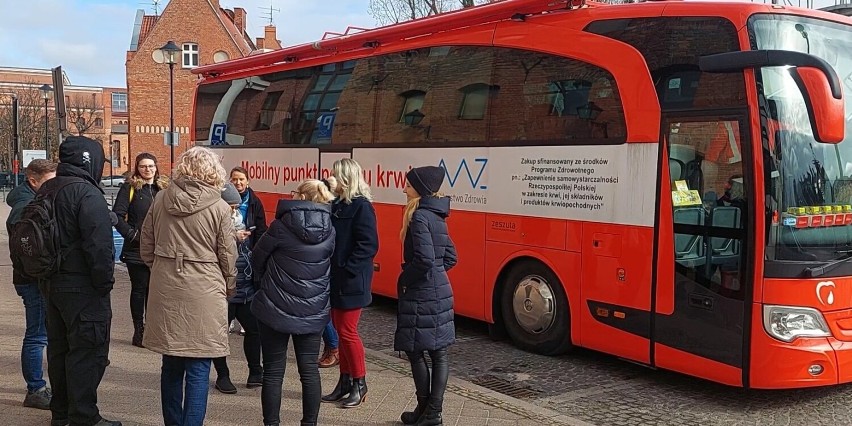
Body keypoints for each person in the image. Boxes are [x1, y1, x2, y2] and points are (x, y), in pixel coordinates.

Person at [140, 146, 237, 426]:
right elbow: (227, 254)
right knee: (199, 366)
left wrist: (161, 269)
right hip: (205, 288)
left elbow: (146, 245)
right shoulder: (219, 207)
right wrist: (229, 285)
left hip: (166, 286)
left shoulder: (160, 199)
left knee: (171, 364)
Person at [40, 136, 121, 426]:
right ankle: (84, 417)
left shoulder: (48, 188)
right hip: (84, 287)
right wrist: (104, 284)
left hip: (52, 284)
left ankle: (61, 413)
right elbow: (99, 246)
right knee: (88, 353)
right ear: (91, 160)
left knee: (60, 351)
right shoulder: (87, 194)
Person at [251, 179, 336, 426]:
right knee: (309, 370)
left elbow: (257, 259)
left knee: (274, 372)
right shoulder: (331, 229)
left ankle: (272, 423)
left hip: (274, 306)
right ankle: (310, 423)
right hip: (313, 308)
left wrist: (267, 283)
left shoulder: (280, 226)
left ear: (299, 196)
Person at [395, 166, 457, 426]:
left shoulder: (419, 217)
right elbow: (451, 258)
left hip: (422, 292)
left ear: (419, 189)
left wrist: (404, 279)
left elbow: (424, 260)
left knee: (415, 350)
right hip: (439, 289)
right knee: (438, 353)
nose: (404, 189)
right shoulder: (437, 216)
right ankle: (430, 412)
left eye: (408, 185)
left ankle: (429, 411)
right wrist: (437, 275)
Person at [322, 159, 378, 409]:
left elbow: (368, 245)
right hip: (336, 277)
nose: (332, 178)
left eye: (336, 175)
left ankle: (359, 382)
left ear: (346, 178)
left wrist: (347, 268)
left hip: (351, 280)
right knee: (339, 329)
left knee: (347, 331)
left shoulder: (362, 207)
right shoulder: (337, 204)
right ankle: (344, 382)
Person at [6, 159, 56, 410]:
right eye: (49, 181)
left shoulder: (28, 202)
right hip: (33, 280)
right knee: (37, 335)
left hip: (31, 278)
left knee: (39, 333)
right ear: (33, 181)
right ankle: (35, 388)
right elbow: (26, 250)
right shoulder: (26, 207)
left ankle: (37, 386)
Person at [212, 166, 267, 393]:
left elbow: (262, 232)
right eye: (231, 208)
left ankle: (256, 371)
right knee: (218, 333)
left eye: (236, 208)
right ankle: (223, 375)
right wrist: (232, 238)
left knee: (253, 329)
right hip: (223, 286)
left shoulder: (253, 204)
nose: (234, 212)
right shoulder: (215, 217)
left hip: (246, 281)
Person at [112, 153, 169, 348]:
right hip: (136, 249)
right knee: (139, 289)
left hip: (160, 248)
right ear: (138, 168)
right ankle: (139, 330)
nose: (148, 170)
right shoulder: (130, 188)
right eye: (143, 166)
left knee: (156, 291)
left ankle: (153, 328)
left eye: (151, 166)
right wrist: (132, 235)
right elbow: (117, 216)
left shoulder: (164, 188)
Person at [318, 176, 339, 369]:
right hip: (323, 267)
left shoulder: (329, 211)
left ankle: (333, 347)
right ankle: (331, 346)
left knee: (322, 309)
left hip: (326, 267)